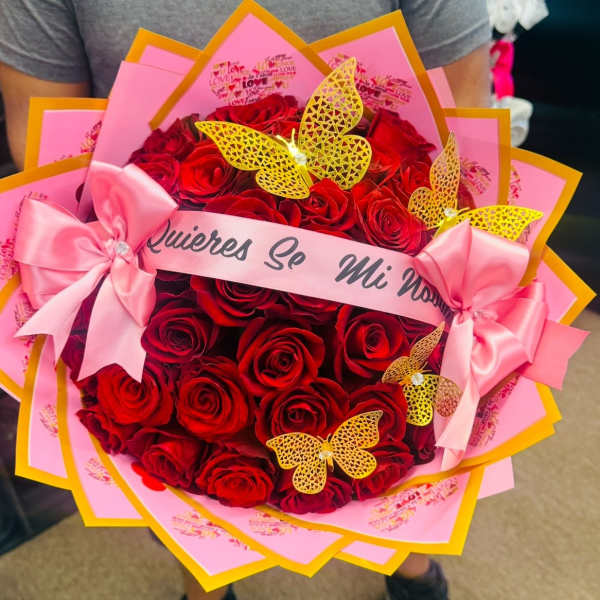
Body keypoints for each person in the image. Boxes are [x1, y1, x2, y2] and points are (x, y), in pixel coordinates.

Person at [0, 2, 491, 599]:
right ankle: (205, 585)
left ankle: (410, 562)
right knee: (181, 445)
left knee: (403, 432)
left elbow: (462, 123)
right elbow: (45, 153)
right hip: (156, 275)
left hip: (391, 268)